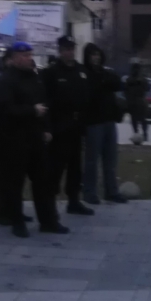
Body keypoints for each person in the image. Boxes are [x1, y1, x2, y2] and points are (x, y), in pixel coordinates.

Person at [0, 41, 68, 238]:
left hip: (36, 138)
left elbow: (44, 105)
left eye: (30, 55)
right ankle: (17, 221)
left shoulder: (34, 77)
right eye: (24, 55)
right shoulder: (4, 80)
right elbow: (4, 110)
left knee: (43, 181)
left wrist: (46, 128)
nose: (29, 58)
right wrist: (32, 111)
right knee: (15, 183)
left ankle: (48, 221)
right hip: (14, 139)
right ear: (14, 58)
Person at [43, 35, 93, 216]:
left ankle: (74, 200)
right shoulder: (52, 72)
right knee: (56, 167)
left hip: (77, 127)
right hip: (59, 126)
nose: (69, 52)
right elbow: (46, 101)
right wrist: (48, 127)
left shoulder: (81, 71)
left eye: (72, 49)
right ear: (60, 51)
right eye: (66, 49)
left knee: (75, 167)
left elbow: (87, 98)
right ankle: (49, 204)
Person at [82, 43, 127, 204]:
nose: (96, 58)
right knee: (92, 160)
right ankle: (89, 192)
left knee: (110, 159)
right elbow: (90, 92)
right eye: (93, 55)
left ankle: (111, 191)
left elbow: (118, 85)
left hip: (109, 120)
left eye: (98, 54)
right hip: (94, 122)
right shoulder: (85, 74)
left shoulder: (106, 73)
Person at [124, 63, 150, 141]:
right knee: (138, 119)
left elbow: (147, 88)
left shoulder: (138, 79)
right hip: (136, 101)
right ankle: (140, 133)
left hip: (137, 101)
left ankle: (141, 133)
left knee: (138, 119)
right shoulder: (134, 79)